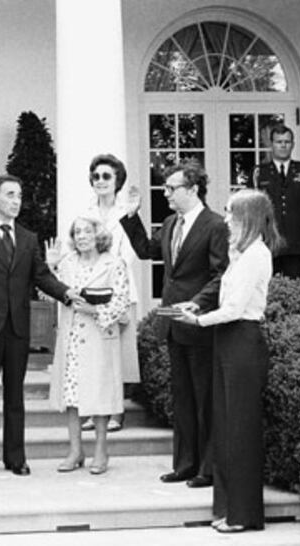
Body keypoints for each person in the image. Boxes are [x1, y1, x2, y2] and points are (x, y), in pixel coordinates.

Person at [0, 174, 79, 477]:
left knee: (15, 395)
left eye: (19, 195)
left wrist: (66, 293)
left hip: (18, 325)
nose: (16, 201)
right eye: (9, 195)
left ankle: (16, 457)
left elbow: (41, 276)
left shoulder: (28, 237)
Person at [174, 189, 280, 533]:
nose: (227, 220)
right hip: (227, 340)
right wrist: (197, 306)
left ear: (249, 218)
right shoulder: (241, 254)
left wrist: (198, 320)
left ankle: (242, 514)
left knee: (240, 430)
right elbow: (224, 295)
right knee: (224, 428)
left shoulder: (256, 255)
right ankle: (226, 509)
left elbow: (235, 308)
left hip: (243, 341)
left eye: (233, 214)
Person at [119, 160, 228, 488]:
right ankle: (184, 465)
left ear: (193, 189)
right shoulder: (169, 223)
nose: (165, 193)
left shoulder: (215, 225)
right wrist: (131, 216)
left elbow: (221, 273)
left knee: (204, 399)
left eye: (171, 188)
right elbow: (145, 251)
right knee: (182, 399)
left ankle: (207, 469)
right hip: (173, 325)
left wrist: (198, 302)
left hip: (199, 324)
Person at [49, 216, 129, 475]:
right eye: (77, 232)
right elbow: (50, 292)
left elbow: (121, 302)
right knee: (71, 396)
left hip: (99, 335)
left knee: (99, 394)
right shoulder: (67, 263)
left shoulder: (114, 263)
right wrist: (51, 267)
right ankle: (75, 451)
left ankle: (101, 451)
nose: (81, 236)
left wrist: (94, 310)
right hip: (72, 337)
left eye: (86, 231)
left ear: (98, 235)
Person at [76, 154, 139, 433]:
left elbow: (130, 252)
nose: (100, 181)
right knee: (94, 355)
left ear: (117, 181)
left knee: (116, 356)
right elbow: (78, 245)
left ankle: (115, 411)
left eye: (106, 176)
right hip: (91, 288)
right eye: (96, 176)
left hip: (119, 289)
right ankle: (93, 411)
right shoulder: (85, 212)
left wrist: (108, 267)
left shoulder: (127, 212)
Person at [246, 124, 300, 280]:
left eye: (287, 142)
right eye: (279, 142)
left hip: (296, 243)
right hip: (267, 243)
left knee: (297, 288)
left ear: (293, 144)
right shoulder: (259, 173)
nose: (283, 145)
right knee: (267, 287)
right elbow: (250, 210)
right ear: (271, 145)